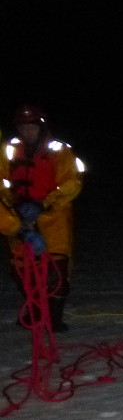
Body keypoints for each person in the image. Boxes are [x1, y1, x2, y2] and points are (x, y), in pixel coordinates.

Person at [1, 105, 85, 332]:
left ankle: (54, 318)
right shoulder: (8, 150)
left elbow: (72, 183)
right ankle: (35, 308)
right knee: (21, 269)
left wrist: (43, 204)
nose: (27, 130)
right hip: (18, 217)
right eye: (23, 125)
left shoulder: (59, 150)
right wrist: (15, 207)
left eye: (32, 125)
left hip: (53, 218)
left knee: (57, 270)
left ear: (41, 126)